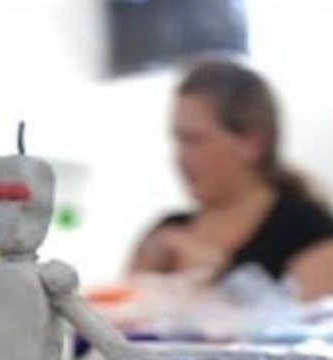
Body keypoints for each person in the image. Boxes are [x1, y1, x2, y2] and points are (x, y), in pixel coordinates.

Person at [128, 58, 333, 301]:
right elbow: (115, 324)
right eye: (178, 140)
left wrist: (212, 277)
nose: (180, 156)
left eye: (195, 140)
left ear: (255, 143)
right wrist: (145, 275)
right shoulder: (166, 231)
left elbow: (304, 324)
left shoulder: (309, 230)